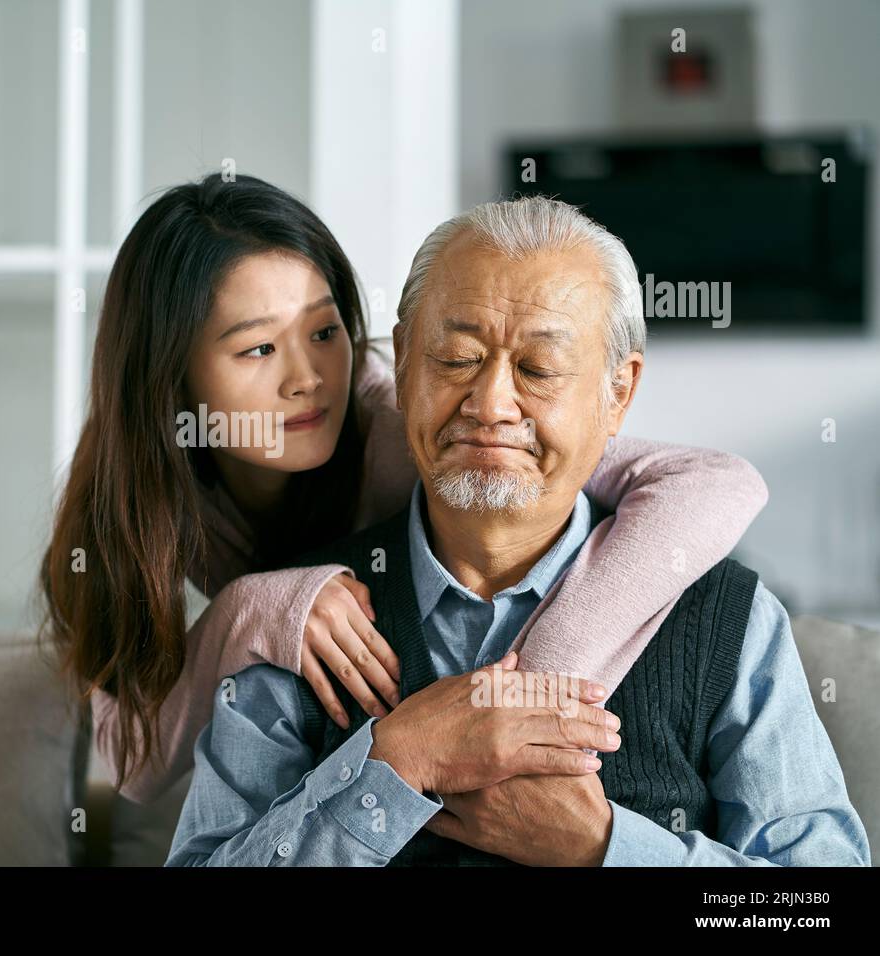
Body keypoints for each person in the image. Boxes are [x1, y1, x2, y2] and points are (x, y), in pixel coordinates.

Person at [165, 196, 869, 866]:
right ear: (404, 362)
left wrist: (603, 849)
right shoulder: (304, 632)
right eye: (457, 359)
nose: (491, 403)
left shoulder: (729, 622)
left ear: (617, 391)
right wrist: (391, 764)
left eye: (539, 368)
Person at [38, 174, 767, 806]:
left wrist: (540, 681)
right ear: (171, 375)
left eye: (324, 332)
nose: (307, 376)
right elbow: (130, 765)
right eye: (258, 348)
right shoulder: (127, 498)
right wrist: (248, 609)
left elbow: (715, 481)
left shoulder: (401, 420)